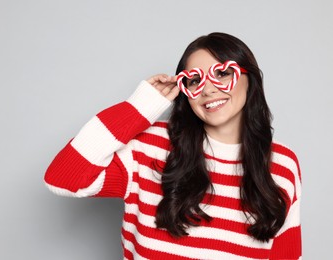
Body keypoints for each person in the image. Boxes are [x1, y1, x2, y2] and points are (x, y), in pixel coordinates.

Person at [44, 32, 301, 259]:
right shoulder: (149, 147)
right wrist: (139, 107)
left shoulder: (282, 163)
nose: (208, 89)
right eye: (194, 81)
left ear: (249, 79)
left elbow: (286, 255)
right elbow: (63, 178)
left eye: (222, 73)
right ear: (184, 90)